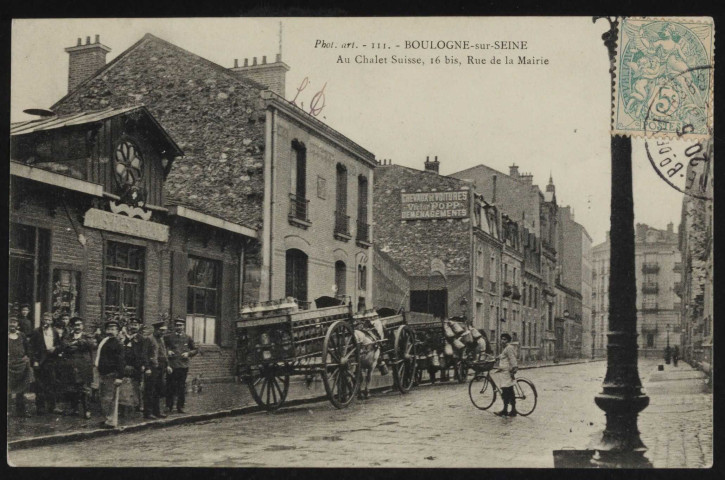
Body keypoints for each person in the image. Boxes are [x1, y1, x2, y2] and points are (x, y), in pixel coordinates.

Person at [61, 317, 96, 418]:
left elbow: (92, 345)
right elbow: (65, 346)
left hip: (84, 366)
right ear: (72, 326)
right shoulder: (68, 336)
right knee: (72, 388)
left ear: (82, 326)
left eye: (80, 324)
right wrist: (77, 344)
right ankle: (74, 409)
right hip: (71, 366)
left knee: (85, 389)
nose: (78, 327)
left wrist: (77, 343)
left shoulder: (87, 336)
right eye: (76, 325)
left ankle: (87, 410)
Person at [29, 312, 63, 415]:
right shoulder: (36, 332)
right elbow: (31, 348)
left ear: (52, 321)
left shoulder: (55, 332)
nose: (47, 322)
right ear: (42, 320)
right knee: (40, 384)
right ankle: (40, 407)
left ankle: (52, 406)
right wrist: (34, 360)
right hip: (39, 362)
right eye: (45, 320)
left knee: (52, 383)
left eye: (49, 320)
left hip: (51, 361)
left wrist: (55, 349)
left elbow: (60, 345)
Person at [95, 318, 125, 429]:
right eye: (109, 328)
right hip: (103, 373)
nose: (111, 331)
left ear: (117, 331)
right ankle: (107, 419)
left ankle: (111, 421)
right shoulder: (105, 340)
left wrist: (120, 377)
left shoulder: (118, 343)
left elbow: (121, 361)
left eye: (113, 329)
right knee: (104, 398)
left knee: (110, 398)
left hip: (112, 374)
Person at [164, 317, 198, 414]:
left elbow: (195, 349)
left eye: (180, 325)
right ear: (174, 326)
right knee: (170, 386)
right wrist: (168, 351)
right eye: (177, 325)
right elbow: (162, 347)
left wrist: (188, 354)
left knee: (181, 386)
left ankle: (180, 406)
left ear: (183, 326)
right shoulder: (169, 337)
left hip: (183, 366)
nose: (178, 327)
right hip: (172, 365)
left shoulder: (188, 337)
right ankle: (168, 406)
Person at [143, 320, 171, 419]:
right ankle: (148, 412)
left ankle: (157, 411)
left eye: (164, 330)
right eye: (161, 330)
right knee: (150, 390)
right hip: (152, 368)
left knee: (158, 390)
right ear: (156, 330)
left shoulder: (161, 339)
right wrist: (147, 368)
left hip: (161, 367)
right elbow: (145, 355)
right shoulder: (149, 339)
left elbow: (163, 353)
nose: (163, 332)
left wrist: (167, 365)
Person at [120, 317, 146, 416]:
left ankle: (139, 405)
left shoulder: (141, 339)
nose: (133, 326)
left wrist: (143, 365)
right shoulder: (125, 338)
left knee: (138, 385)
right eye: (132, 324)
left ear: (139, 326)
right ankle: (127, 404)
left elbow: (143, 353)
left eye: (136, 325)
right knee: (126, 384)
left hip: (137, 365)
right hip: (126, 364)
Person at [8, 315, 34, 417]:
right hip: (9, 366)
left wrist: (27, 357)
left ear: (17, 325)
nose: (12, 325)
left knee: (21, 389)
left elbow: (28, 349)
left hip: (21, 366)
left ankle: (21, 411)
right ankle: (8, 411)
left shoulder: (22, 336)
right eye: (10, 322)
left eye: (14, 323)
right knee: (8, 388)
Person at [493, 333, 519, 417]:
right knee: (509, 390)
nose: (502, 341)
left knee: (506, 391)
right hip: (504, 372)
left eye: (504, 339)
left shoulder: (509, 348)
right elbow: (504, 355)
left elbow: (512, 358)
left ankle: (505, 410)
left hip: (507, 373)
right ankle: (512, 410)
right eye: (502, 339)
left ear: (508, 340)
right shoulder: (506, 348)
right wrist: (497, 357)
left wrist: (514, 368)